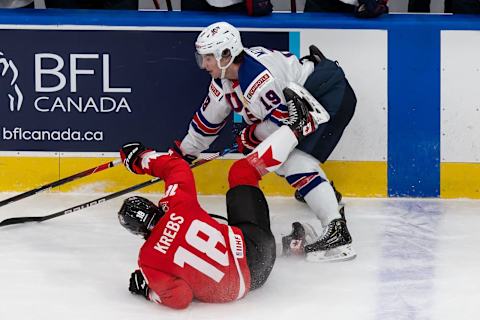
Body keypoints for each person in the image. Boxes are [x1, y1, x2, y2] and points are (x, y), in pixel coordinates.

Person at [173, 21, 356, 262]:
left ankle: (337, 232)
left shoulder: (257, 78)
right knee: (282, 159)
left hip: (329, 94)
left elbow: (285, 126)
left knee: (293, 162)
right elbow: (207, 124)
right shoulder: (223, 79)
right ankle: (322, 193)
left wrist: (251, 136)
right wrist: (183, 154)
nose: (204, 64)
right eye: (203, 57)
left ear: (226, 55)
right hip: (304, 103)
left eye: (209, 57)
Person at [117, 93, 320, 309]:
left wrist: (148, 291)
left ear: (138, 232)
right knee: (243, 172)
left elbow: (180, 298)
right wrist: (140, 159)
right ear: (152, 207)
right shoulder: (177, 204)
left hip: (249, 284)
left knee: (222, 243)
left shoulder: (149, 260)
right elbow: (177, 167)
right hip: (259, 247)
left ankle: (291, 246)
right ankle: (299, 126)